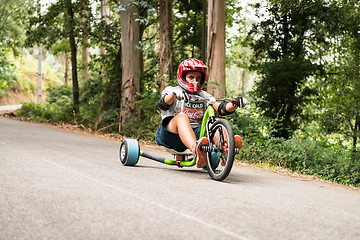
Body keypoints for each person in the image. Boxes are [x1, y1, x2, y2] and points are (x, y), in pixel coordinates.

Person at [156, 58, 247, 168]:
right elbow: (163, 104)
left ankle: (226, 148)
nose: (195, 81)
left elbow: (221, 108)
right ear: (183, 77)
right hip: (172, 136)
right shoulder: (171, 90)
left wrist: (235, 103)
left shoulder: (203, 96)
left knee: (215, 122)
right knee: (182, 117)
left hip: (196, 136)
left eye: (198, 78)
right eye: (191, 77)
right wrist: (174, 95)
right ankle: (195, 150)